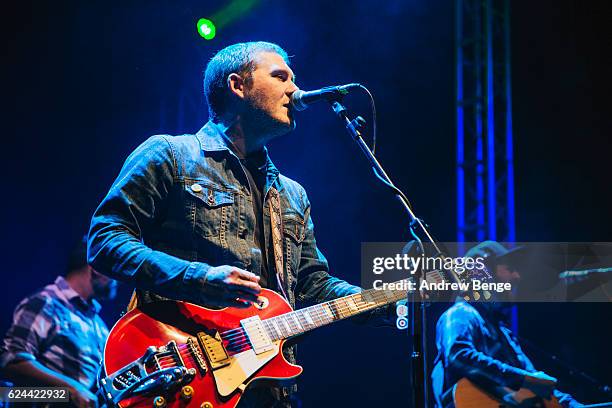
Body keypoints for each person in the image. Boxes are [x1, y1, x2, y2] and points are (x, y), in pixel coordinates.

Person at [87, 41, 380, 407]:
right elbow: (104, 239)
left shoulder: (292, 194)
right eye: (280, 77)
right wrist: (199, 279)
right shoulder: (170, 155)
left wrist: (387, 300)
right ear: (238, 86)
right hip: (182, 374)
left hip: (270, 389)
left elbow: (310, 285)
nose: (294, 89)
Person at [431, 241, 581, 407]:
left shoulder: (504, 333)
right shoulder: (461, 314)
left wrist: (574, 405)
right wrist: (523, 379)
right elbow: (458, 356)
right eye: (510, 269)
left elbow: (538, 383)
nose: (517, 276)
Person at [0, 236, 117, 408]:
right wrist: (71, 390)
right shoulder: (46, 303)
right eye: (115, 271)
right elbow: (10, 360)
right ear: (96, 269)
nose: (119, 280)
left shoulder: (100, 327)